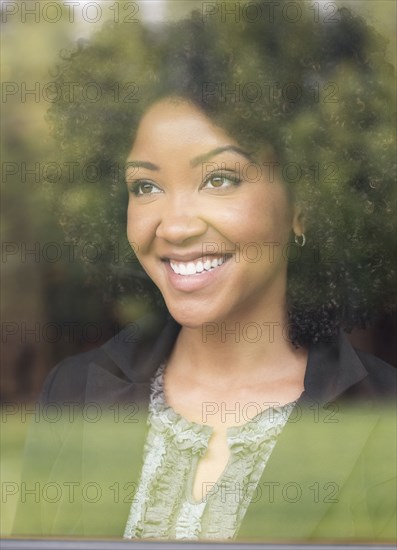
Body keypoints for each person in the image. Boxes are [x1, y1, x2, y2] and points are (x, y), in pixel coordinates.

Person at [14, 0, 396, 542]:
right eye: (145, 186)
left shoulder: (382, 417)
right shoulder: (73, 393)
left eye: (219, 178)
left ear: (304, 202)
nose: (174, 226)